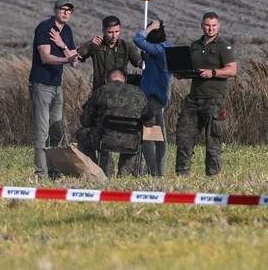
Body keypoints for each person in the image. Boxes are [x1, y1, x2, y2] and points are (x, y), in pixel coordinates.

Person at [175, 12, 238, 176]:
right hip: (194, 99)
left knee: (213, 141)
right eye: (207, 25)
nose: (210, 28)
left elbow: (232, 70)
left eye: (214, 25)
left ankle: (212, 176)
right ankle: (181, 175)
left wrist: (213, 72)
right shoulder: (195, 46)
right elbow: (192, 67)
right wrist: (182, 73)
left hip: (214, 100)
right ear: (202, 25)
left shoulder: (223, 46)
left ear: (219, 26)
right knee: (184, 138)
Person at [29, 0, 80, 178]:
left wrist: (62, 45)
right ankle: (41, 173)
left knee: (56, 131)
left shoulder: (67, 31)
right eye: (62, 9)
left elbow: (75, 61)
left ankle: (54, 171)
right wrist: (67, 57)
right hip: (41, 85)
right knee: (42, 132)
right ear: (55, 10)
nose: (66, 13)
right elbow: (45, 57)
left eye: (69, 10)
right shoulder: (44, 28)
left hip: (57, 86)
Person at [75, 69, 148, 177]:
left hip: (105, 139)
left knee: (81, 134)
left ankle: (101, 170)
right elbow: (150, 121)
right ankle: (124, 172)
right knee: (134, 138)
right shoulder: (138, 93)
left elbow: (85, 120)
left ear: (106, 80)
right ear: (124, 79)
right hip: (131, 141)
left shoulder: (101, 91)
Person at [134, 19, 171, 177]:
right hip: (157, 98)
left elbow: (137, 39)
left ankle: (154, 172)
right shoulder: (165, 46)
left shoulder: (159, 49)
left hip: (152, 98)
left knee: (149, 136)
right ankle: (158, 172)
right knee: (159, 136)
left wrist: (149, 28)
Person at [78, 15, 143, 91]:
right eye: (110, 32)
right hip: (100, 90)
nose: (114, 36)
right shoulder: (96, 45)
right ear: (103, 31)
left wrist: (146, 58)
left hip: (120, 91)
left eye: (117, 31)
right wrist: (89, 43)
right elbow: (79, 55)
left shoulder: (126, 46)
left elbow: (140, 63)